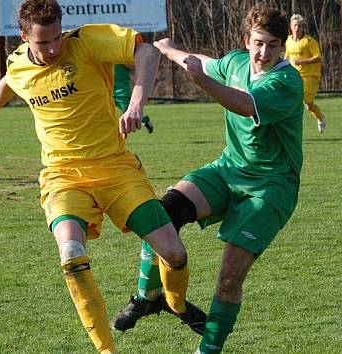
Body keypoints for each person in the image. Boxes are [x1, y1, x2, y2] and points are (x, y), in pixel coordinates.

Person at [0, 1, 204, 353]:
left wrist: (137, 102)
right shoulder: (18, 62)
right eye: (41, 43)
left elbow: (146, 53)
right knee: (71, 253)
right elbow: (9, 79)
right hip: (62, 176)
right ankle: (106, 350)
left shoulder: (86, 42)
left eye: (55, 39)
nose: (52, 49)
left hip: (115, 168)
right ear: (24, 38)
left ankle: (175, 303)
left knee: (174, 254)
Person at [111, 5, 304, 354]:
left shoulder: (287, 81)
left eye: (273, 45)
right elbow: (203, 60)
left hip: (271, 187)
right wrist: (168, 49)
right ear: (247, 40)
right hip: (228, 169)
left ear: (283, 47)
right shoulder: (236, 62)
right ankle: (147, 298)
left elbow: (244, 103)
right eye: (259, 43)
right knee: (162, 214)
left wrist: (203, 82)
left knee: (230, 277)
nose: (264, 53)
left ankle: (208, 350)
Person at [284, 14, 326, 133]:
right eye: (295, 25)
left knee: (308, 105)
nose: (297, 28)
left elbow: (318, 58)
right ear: (291, 27)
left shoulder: (309, 41)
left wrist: (301, 61)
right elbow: (286, 57)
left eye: (300, 26)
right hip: (294, 76)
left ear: (303, 28)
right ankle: (291, 127)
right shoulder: (288, 41)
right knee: (292, 100)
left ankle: (320, 117)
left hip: (309, 76)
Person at [114, 63, 154, 133]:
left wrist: (123, 61)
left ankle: (145, 120)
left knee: (128, 111)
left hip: (121, 89)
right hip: (109, 86)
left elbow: (133, 66)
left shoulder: (121, 54)